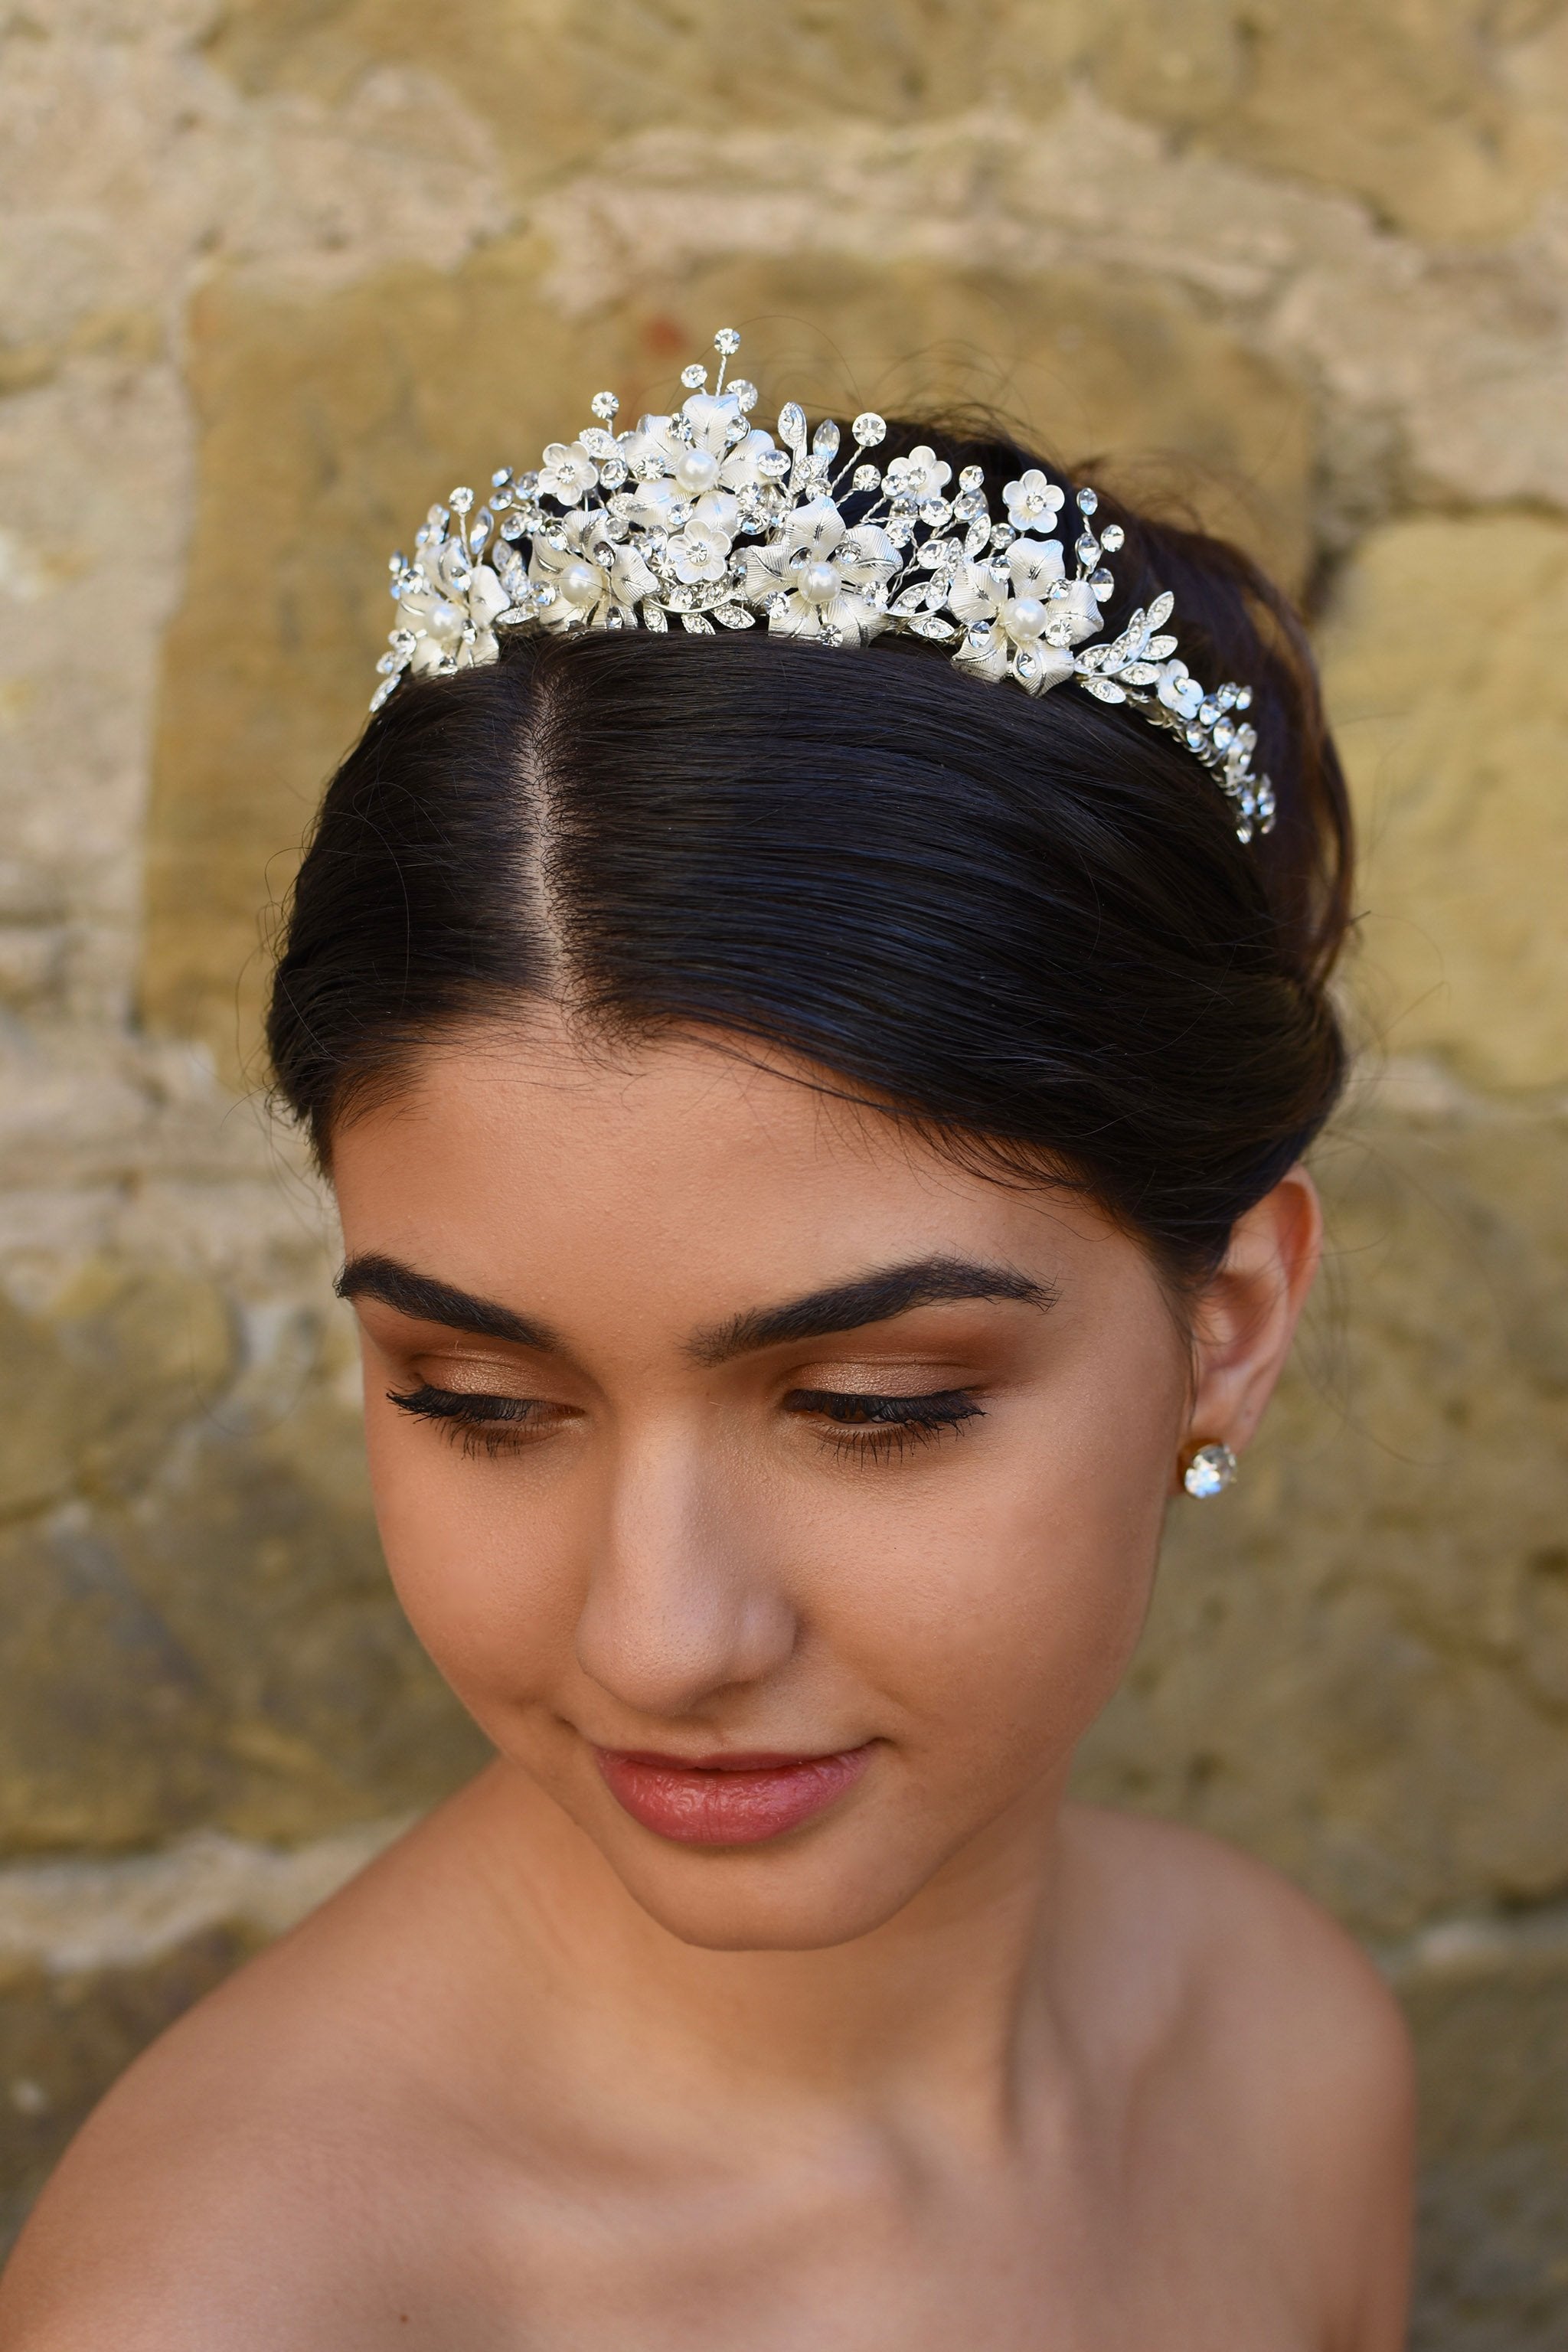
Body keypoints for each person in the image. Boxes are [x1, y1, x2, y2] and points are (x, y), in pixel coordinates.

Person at [0, 332, 1413, 2350]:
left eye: (871, 1406)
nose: (659, 1637)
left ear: (1234, 1324)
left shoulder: (1282, 2057)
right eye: (477, 1401)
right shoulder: (238, 2304)